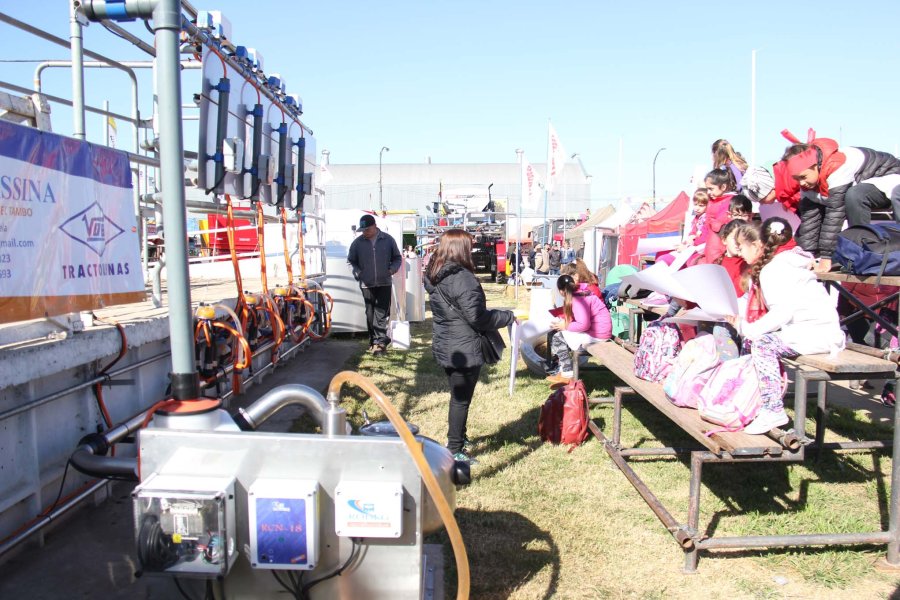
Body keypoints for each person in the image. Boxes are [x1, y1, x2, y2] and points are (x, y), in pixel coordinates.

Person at [728, 218, 844, 434]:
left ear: (756, 245)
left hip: (816, 333)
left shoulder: (774, 270)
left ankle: (773, 409)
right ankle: (749, 401)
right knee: (759, 341)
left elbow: (782, 312)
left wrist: (748, 329)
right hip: (812, 330)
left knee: (762, 344)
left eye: (741, 246)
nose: (739, 253)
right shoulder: (781, 264)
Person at [424, 229, 516, 464]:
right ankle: (454, 448)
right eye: (470, 245)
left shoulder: (436, 274)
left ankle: (460, 438)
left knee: (459, 397)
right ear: (460, 248)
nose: (473, 249)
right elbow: (477, 317)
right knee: (460, 400)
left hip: (448, 344)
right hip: (463, 347)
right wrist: (506, 316)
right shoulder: (462, 278)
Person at [780, 141, 900, 273]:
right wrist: (806, 256)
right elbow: (810, 221)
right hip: (865, 182)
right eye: (796, 179)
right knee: (849, 196)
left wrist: (826, 257)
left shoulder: (837, 166)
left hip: (890, 175)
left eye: (803, 177)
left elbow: (834, 216)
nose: (801, 183)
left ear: (815, 166)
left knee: (854, 195)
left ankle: (860, 250)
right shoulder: (808, 181)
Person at [347, 214, 402, 355]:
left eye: (367, 229)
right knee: (370, 313)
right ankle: (373, 340)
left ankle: (380, 342)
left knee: (381, 312)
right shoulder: (357, 243)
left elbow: (397, 257)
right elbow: (351, 261)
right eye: (363, 230)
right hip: (367, 283)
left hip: (384, 282)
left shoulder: (388, 240)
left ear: (375, 226)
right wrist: (358, 273)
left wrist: (392, 269)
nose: (365, 232)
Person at [546, 275, 612, 384]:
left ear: (561, 291)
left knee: (558, 338)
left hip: (598, 334)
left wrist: (565, 326)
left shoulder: (577, 299)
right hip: (600, 331)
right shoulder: (581, 292)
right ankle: (565, 369)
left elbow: (584, 324)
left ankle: (567, 373)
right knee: (562, 335)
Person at [701, 168, 738, 264]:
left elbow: (720, 225)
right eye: (707, 189)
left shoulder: (731, 202)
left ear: (723, 187)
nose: (708, 192)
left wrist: (712, 222)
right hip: (710, 248)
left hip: (720, 249)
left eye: (711, 189)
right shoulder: (712, 201)